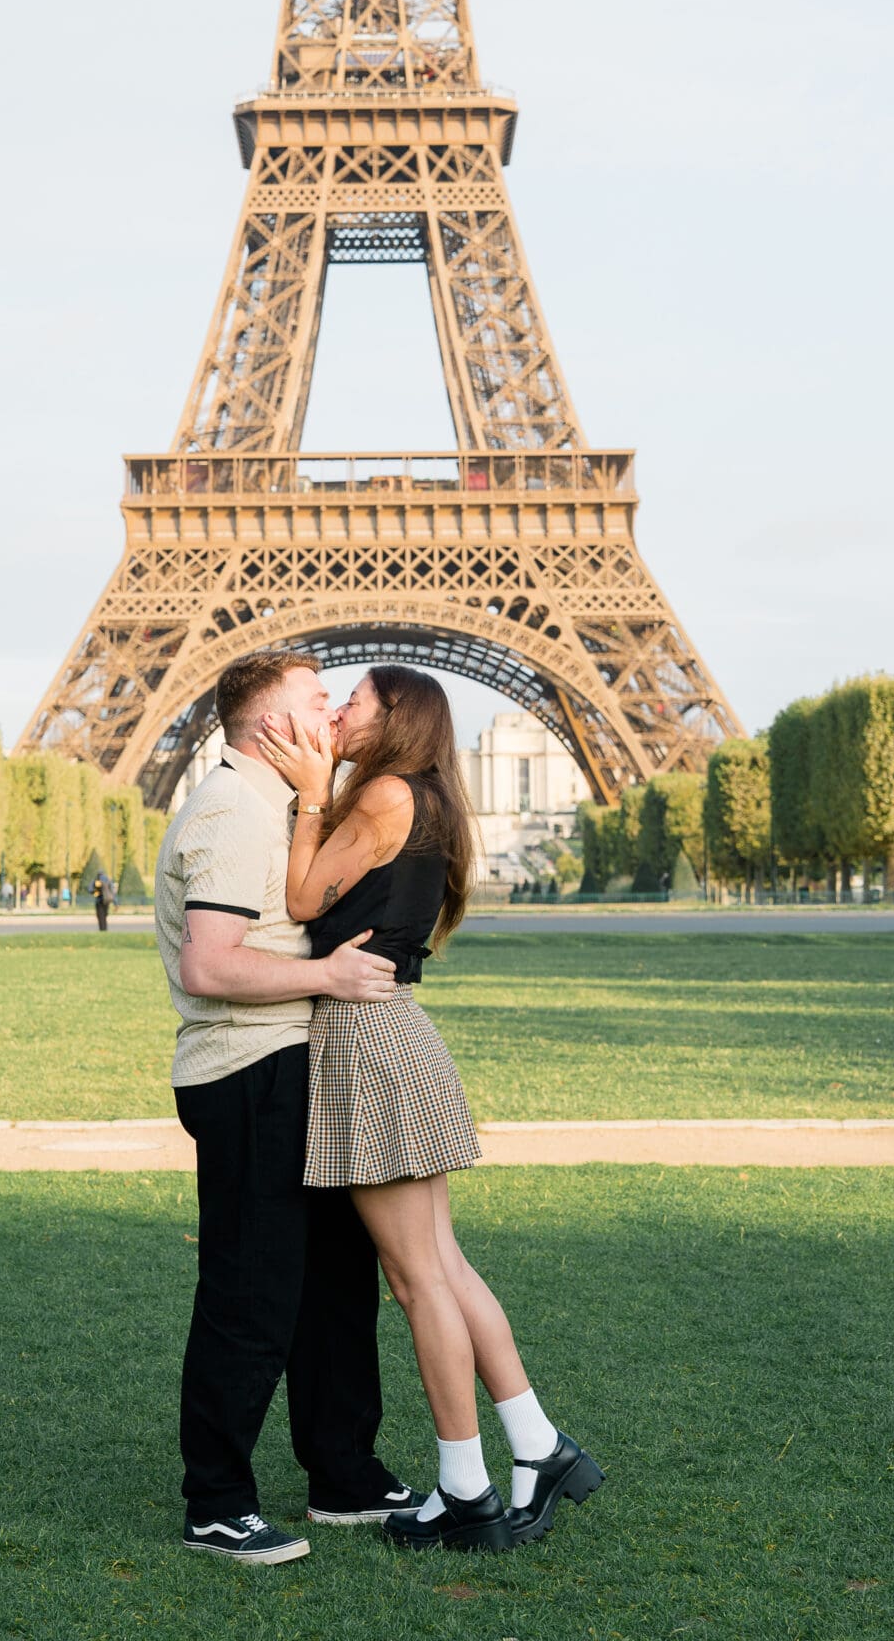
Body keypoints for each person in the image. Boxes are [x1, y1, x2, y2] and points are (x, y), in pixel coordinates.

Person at [261, 666, 605, 1554]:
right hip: (400, 1033)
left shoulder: (376, 793)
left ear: (394, 719)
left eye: (354, 703)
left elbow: (303, 902)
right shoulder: (432, 798)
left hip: (363, 1039)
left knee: (417, 1281)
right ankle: (537, 1446)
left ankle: (465, 1489)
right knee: (443, 1267)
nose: (337, 712)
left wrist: (309, 798)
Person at [153, 649, 421, 1566]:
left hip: (294, 1062)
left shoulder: (284, 804)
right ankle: (216, 1503)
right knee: (251, 1289)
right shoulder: (231, 809)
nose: (336, 714)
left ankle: (343, 1473)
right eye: (319, 700)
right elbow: (209, 963)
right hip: (249, 1069)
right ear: (273, 725)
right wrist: (328, 974)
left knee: (334, 1285)